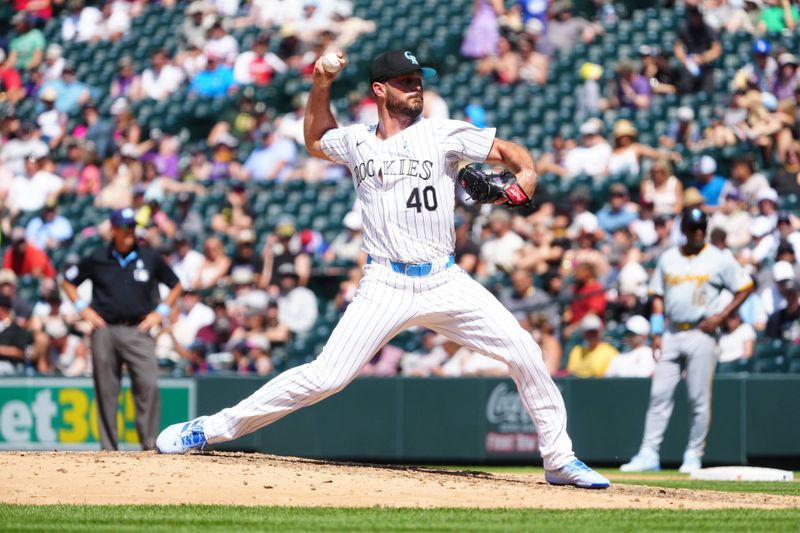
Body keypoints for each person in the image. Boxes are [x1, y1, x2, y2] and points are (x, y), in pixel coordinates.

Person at [156, 48, 610, 489]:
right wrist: (321, 83)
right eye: (406, 83)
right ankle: (210, 429)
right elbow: (315, 141)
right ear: (380, 89)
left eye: (418, 82)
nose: (416, 89)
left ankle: (559, 459)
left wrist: (526, 175)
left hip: (444, 279)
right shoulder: (356, 141)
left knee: (524, 351)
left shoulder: (442, 133)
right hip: (385, 283)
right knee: (326, 377)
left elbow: (513, 152)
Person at [620, 207, 754, 474]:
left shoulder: (719, 258)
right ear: (683, 230)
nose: (698, 231)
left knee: (698, 398)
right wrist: (657, 332)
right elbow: (657, 295)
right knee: (659, 395)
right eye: (693, 227)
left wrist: (721, 315)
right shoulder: (669, 258)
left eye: (701, 226)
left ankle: (693, 454)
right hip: (671, 332)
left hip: (701, 332)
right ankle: (649, 454)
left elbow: (745, 286)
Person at [61, 208, 182, 451]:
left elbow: (176, 285)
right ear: (113, 230)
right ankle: (108, 447)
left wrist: (161, 313)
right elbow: (68, 281)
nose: (129, 232)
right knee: (106, 389)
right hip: (105, 328)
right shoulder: (98, 257)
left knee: (147, 385)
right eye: (125, 227)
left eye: (132, 227)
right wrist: (84, 309)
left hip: (138, 329)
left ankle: (149, 443)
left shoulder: (149, 256)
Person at [566, 314, 619, 378]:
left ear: (600, 332)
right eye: (589, 332)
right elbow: (571, 373)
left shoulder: (610, 352)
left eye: (594, 332)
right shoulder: (576, 350)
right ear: (584, 333)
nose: (592, 335)